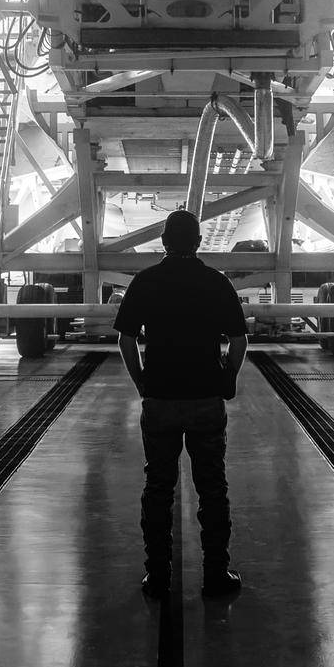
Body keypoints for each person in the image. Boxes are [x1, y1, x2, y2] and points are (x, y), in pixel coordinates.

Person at [114, 209, 248, 600]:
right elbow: (239, 341)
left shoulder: (146, 281)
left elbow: (125, 339)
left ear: (163, 241)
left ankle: (157, 577)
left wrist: (142, 381)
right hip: (206, 398)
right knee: (212, 489)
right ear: (199, 242)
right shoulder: (216, 282)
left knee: (158, 488)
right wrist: (227, 377)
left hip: (160, 400)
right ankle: (215, 575)